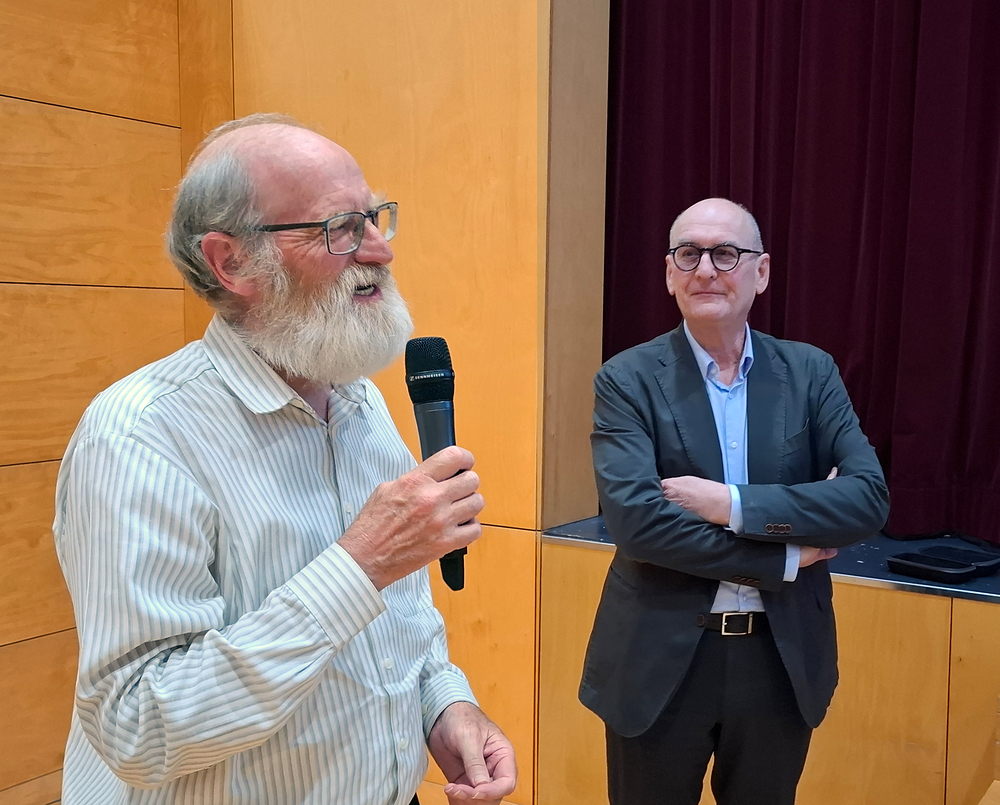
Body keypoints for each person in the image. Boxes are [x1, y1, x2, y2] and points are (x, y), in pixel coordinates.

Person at [53, 113, 517, 805]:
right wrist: (359, 564)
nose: (380, 250)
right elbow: (139, 728)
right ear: (231, 261)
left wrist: (444, 703)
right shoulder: (139, 434)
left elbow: (400, 616)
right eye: (340, 228)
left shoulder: (359, 399)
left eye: (375, 218)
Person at [579, 198, 889, 805]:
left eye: (725, 253)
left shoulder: (811, 372)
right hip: (658, 661)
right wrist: (786, 556)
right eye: (688, 254)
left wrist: (730, 504)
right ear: (669, 274)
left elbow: (866, 500)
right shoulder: (626, 379)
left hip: (781, 660)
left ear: (761, 272)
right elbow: (639, 524)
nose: (705, 270)